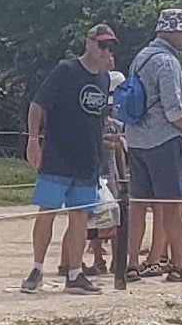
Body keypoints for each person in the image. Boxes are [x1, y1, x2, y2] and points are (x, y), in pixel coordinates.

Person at [22, 19, 116, 293]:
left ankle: (75, 273)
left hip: (88, 158)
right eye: (102, 45)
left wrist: (103, 143)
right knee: (47, 212)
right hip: (58, 154)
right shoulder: (66, 70)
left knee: (80, 217)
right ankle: (37, 269)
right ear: (88, 42)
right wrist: (33, 139)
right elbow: (38, 105)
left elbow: (95, 117)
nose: (106, 51)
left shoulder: (104, 77)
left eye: (110, 46)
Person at [118, 4, 182, 281]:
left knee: (138, 203)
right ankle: (176, 264)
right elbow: (174, 109)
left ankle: (132, 263)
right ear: (169, 32)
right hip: (163, 139)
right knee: (171, 204)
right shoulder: (168, 62)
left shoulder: (139, 58)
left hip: (136, 138)